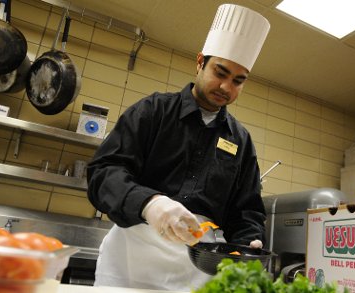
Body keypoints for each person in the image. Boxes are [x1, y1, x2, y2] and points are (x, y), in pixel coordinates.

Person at [86, 3, 270, 291]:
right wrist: (149, 204)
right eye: (220, 72)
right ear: (200, 62)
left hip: (198, 269)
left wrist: (248, 242)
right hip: (130, 262)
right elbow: (103, 173)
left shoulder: (240, 140)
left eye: (238, 81)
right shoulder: (153, 111)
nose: (226, 87)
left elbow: (247, 211)